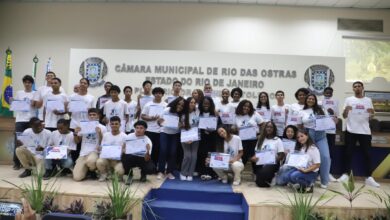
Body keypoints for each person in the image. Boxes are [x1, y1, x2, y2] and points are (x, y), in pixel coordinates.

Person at [338, 81, 380, 187]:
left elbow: (371, 116)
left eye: (359, 86)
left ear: (362, 88)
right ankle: (346, 175)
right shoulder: (349, 100)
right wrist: (346, 111)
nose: (357, 88)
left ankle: (369, 177)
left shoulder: (368, 100)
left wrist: (372, 114)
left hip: (365, 131)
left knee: (367, 154)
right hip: (351, 130)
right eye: (355, 86)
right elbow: (344, 116)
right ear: (353, 89)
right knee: (348, 153)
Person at [299, 94, 331, 188]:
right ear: (306, 100)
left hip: (321, 134)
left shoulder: (321, 109)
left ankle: (324, 181)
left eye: (313, 99)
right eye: (309, 98)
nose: (311, 100)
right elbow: (299, 126)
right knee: (309, 158)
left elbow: (329, 121)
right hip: (308, 135)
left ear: (315, 100)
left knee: (325, 157)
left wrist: (334, 121)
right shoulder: (302, 111)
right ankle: (310, 178)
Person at [157, 97, 187, 180]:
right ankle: (160, 171)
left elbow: (182, 126)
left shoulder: (182, 114)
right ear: (175, 103)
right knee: (163, 150)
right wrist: (159, 122)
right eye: (179, 104)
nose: (180, 106)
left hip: (175, 134)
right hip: (164, 132)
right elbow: (160, 122)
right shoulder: (167, 110)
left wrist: (181, 125)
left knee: (173, 152)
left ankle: (169, 171)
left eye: (182, 105)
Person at [73, 108, 107, 181]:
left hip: (94, 152)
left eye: (94, 115)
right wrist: (75, 133)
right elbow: (77, 142)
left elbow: (103, 143)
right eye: (90, 115)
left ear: (98, 116)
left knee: (91, 161)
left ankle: (93, 170)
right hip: (83, 153)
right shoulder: (83, 125)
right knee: (77, 178)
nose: (92, 116)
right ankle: (87, 171)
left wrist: (100, 133)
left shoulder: (103, 127)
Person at [11, 75, 36, 170]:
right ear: (23, 83)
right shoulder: (19, 93)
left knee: (30, 141)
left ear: (32, 84)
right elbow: (15, 105)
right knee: (18, 141)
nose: (27, 84)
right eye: (25, 82)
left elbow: (35, 105)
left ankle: (30, 161)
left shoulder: (35, 93)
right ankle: (16, 162)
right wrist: (13, 102)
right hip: (20, 120)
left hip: (31, 121)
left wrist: (32, 103)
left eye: (29, 82)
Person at [251, 121, 285, 187]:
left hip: (273, 163)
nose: (269, 129)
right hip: (261, 163)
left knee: (262, 177)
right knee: (259, 183)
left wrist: (272, 160)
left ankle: (272, 175)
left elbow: (281, 155)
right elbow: (257, 153)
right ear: (265, 128)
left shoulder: (277, 140)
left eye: (271, 127)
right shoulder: (261, 140)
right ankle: (266, 177)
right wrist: (253, 158)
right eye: (267, 127)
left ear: (274, 129)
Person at [235, 99, 264, 174]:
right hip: (242, 140)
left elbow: (262, 124)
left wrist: (260, 134)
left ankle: (256, 174)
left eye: (248, 107)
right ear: (241, 106)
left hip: (254, 140)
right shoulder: (236, 115)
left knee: (254, 157)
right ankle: (239, 174)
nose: (246, 108)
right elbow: (234, 128)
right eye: (245, 106)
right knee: (242, 157)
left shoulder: (254, 114)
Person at [121, 120, 155, 185]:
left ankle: (143, 173)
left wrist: (147, 151)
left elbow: (147, 159)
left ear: (145, 129)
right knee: (124, 158)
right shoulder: (129, 136)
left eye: (141, 128)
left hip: (142, 159)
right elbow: (124, 148)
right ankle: (129, 175)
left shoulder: (147, 140)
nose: (138, 130)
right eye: (137, 128)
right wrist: (123, 149)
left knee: (151, 168)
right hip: (131, 157)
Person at [141, 87, 167, 169]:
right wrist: (151, 118)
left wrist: (162, 120)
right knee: (149, 149)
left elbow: (168, 118)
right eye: (156, 93)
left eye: (160, 93)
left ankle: (155, 166)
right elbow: (143, 116)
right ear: (154, 94)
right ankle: (148, 167)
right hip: (150, 130)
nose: (158, 94)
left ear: (162, 95)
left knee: (158, 150)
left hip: (161, 131)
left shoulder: (165, 105)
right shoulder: (148, 104)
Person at [197, 96, 221, 180]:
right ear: (201, 104)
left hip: (212, 138)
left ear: (211, 104)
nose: (206, 105)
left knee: (211, 154)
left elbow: (219, 125)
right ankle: (202, 172)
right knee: (201, 154)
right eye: (204, 103)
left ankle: (210, 172)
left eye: (208, 103)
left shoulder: (215, 114)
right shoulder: (198, 113)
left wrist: (212, 130)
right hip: (201, 138)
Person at [96, 116, 126, 182]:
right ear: (110, 125)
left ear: (120, 125)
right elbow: (102, 147)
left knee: (120, 171)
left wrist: (123, 150)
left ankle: (115, 173)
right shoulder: (106, 135)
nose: (114, 125)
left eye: (116, 124)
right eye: (112, 124)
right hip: (107, 159)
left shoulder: (124, 136)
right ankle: (104, 174)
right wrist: (100, 148)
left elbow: (126, 150)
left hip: (117, 160)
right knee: (99, 162)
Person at [319, 87, 339, 182]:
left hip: (331, 131)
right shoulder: (319, 102)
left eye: (330, 92)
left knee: (330, 153)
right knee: (320, 153)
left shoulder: (336, 102)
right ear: (323, 92)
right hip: (321, 131)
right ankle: (319, 173)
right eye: (326, 92)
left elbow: (336, 116)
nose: (328, 94)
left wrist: (335, 118)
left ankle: (328, 173)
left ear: (332, 93)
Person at [180, 97, 200, 181]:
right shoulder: (182, 113)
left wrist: (194, 137)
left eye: (194, 102)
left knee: (194, 156)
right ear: (187, 103)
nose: (192, 104)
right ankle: (183, 172)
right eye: (191, 102)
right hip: (185, 136)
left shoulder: (198, 111)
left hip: (196, 136)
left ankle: (190, 173)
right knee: (187, 155)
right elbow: (179, 125)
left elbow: (200, 124)